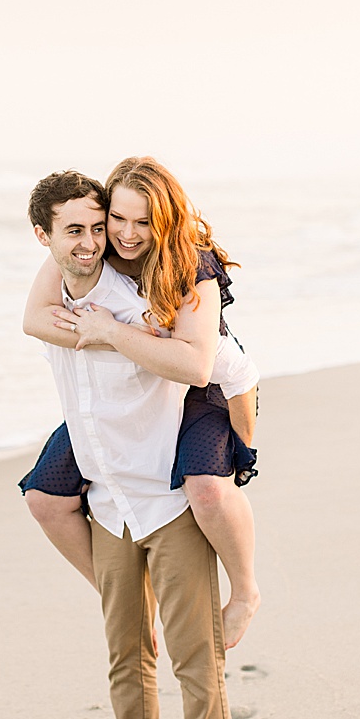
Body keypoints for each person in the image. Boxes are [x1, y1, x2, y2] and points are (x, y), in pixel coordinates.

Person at [23, 170, 232, 719]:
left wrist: (115, 331)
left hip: (164, 494)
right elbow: (33, 319)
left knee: (194, 652)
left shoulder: (137, 301)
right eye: (76, 230)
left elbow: (195, 361)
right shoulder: (56, 299)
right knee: (125, 648)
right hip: (108, 500)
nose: (93, 241)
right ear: (45, 237)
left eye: (98, 227)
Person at [19, 156, 263, 648]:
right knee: (45, 498)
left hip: (211, 388)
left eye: (144, 222)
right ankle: (123, 597)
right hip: (140, 382)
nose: (127, 234)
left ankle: (245, 593)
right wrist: (117, 337)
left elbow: (203, 368)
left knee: (208, 489)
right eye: (118, 218)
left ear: (164, 220)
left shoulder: (192, 263)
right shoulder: (90, 245)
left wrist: (242, 448)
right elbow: (35, 320)